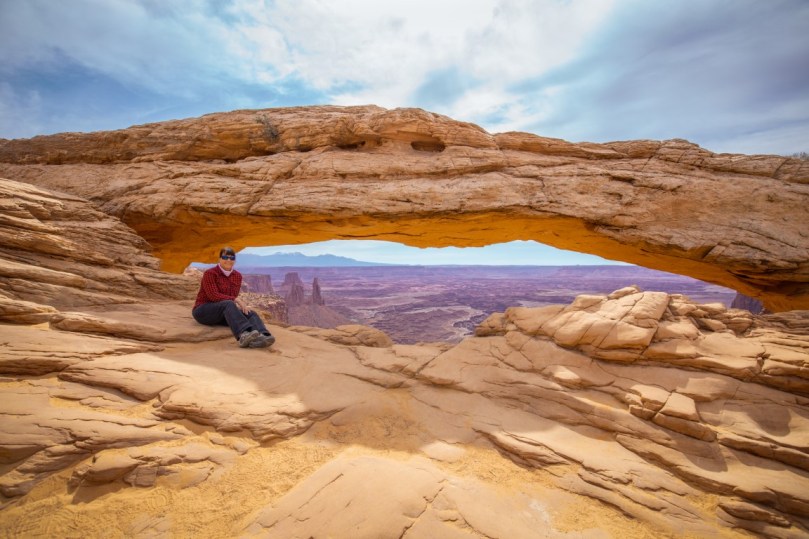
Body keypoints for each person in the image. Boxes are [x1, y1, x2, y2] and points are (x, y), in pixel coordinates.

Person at [192, 246, 276, 348]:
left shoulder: (237, 276)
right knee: (228, 303)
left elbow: (233, 295)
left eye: (232, 258)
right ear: (219, 259)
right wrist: (236, 300)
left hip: (223, 313)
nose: (228, 260)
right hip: (203, 311)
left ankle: (264, 336)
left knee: (250, 313)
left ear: (234, 261)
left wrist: (236, 304)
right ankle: (244, 335)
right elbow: (213, 296)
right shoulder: (210, 273)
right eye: (225, 257)